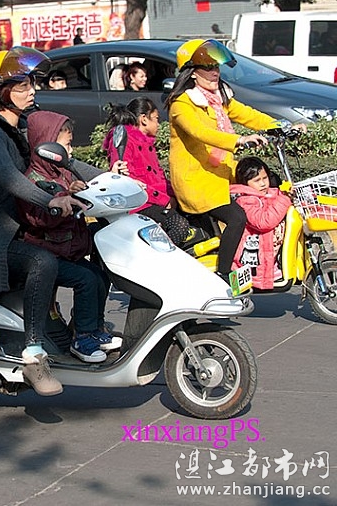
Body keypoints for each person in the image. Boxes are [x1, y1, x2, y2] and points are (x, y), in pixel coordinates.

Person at [0, 46, 80, 396]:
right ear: (0, 91)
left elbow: (61, 160)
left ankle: (87, 334)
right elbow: (9, 179)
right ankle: (33, 354)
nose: (31, 90)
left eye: (31, 83)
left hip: (28, 228)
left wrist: (110, 178)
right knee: (43, 262)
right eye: (21, 86)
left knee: (88, 266)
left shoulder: (22, 125)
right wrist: (51, 201)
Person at [166, 39, 295, 279]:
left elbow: (247, 114)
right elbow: (200, 132)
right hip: (197, 182)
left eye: (216, 67)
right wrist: (239, 140)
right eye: (208, 67)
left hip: (221, 173)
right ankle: (225, 275)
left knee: (271, 183)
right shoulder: (181, 104)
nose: (215, 72)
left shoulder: (218, 98)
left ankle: (262, 255)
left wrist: (280, 125)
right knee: (236, 218)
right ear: (192, 73)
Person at [20, 110, 121, 363]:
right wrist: (62, 201)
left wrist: (79, 189)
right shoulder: (32, 180)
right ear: (48, 149)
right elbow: (37, 219)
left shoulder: (62, 172)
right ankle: (82, 338)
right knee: (86, 280)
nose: (70, 151)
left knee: (99, 275)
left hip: (67, 250)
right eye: (65, 146)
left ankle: (95, 328)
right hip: (48, 253)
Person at [102, 98, 194, 246]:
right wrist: (164, 200)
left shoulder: (146, 142)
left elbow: (159, 177)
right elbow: (129, 182)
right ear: (144, 119)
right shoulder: (123, 139)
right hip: (139, 204)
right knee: (179, 225)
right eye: (156, 119)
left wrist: (178, 194)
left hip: (155, 199)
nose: (158, 124)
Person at [230, 156, 292, 290]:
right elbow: (264, 221)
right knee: (239, 290)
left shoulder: (272, 194)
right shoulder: (246, 201)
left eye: (265, 178)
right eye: (257, 180)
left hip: (269, 254)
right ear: (245, 183)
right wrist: (285, 199)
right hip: (252, 258)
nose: (263, 184)